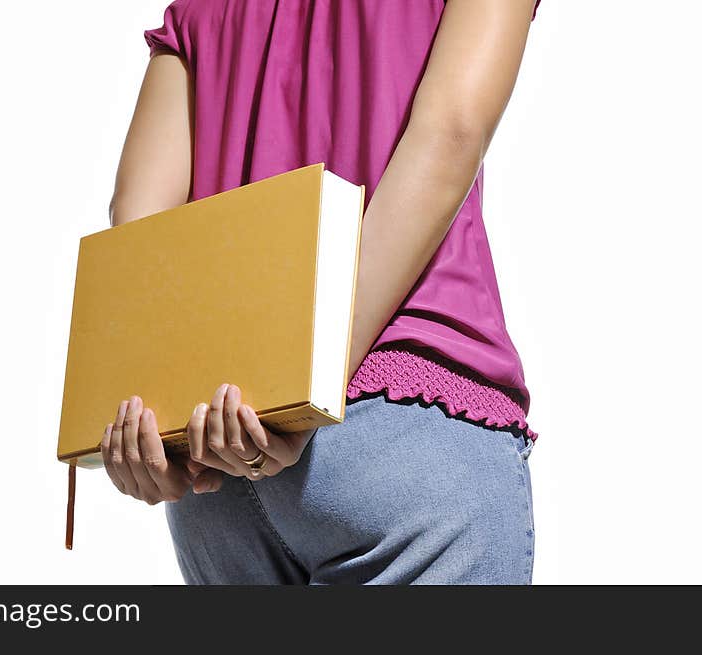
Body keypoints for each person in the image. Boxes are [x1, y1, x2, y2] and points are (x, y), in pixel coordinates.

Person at [101, 0, 541, 584]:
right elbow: (453, 130)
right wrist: (308, 380)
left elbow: (137, 218)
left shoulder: (197, 9)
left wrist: (155, 427)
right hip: (400, 417)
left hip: (220, 458)